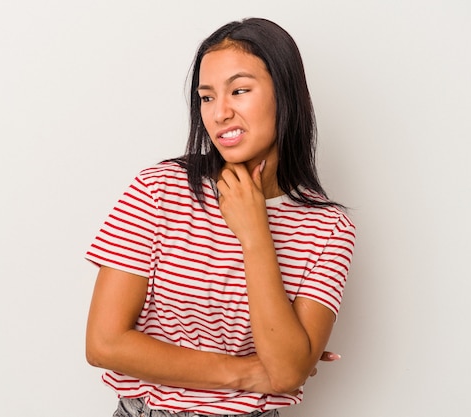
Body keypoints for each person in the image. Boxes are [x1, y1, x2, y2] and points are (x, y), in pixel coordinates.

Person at [85, 17, 356, 417]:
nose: (220, 113)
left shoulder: (329, 229)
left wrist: (254, 233)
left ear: (286, 96)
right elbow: (104, 344)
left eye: (240, 90)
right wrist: (247, 373)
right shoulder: (159, 190)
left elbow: (285, 372)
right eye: (207, 97)